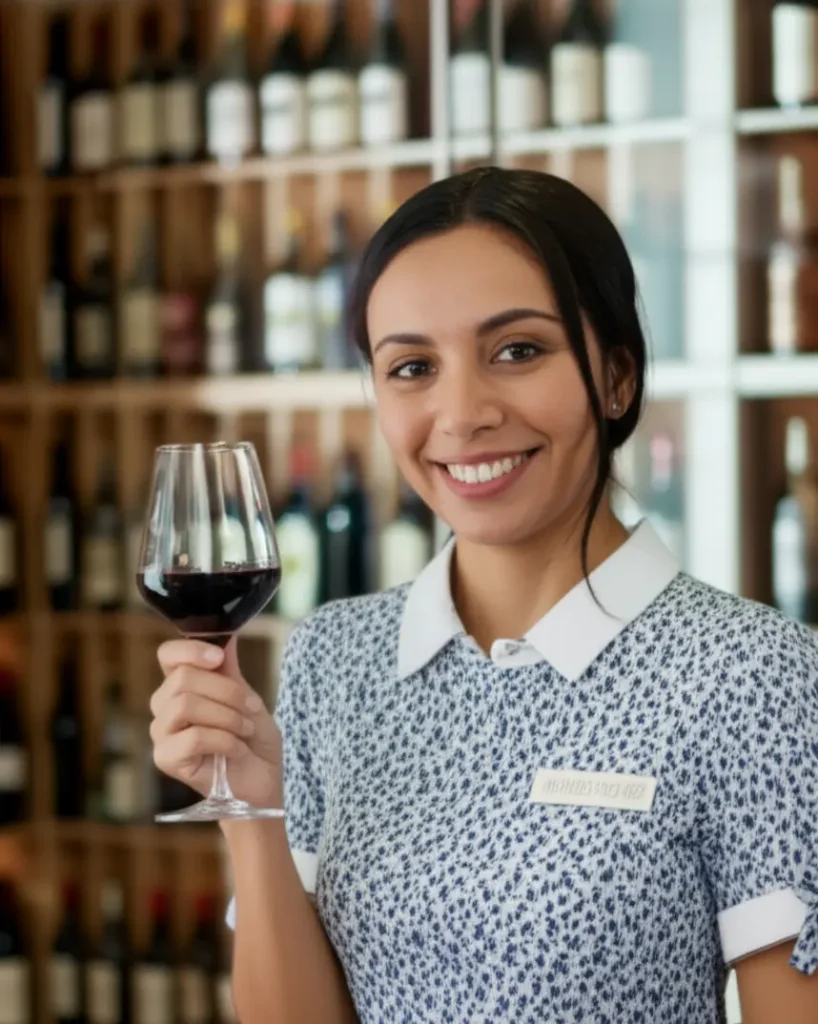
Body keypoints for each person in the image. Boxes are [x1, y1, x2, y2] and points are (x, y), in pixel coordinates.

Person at [149, 168, 818, 1023]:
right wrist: (249, 806)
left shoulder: (755, 679)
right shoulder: (335, 657)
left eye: (517, 351)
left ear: (616, 376)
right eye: (412, 366)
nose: (461, 413)